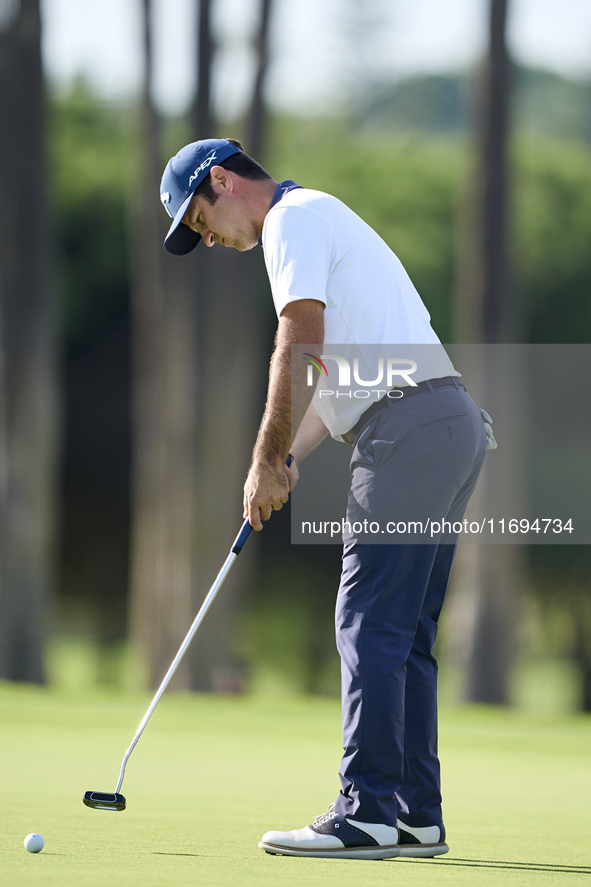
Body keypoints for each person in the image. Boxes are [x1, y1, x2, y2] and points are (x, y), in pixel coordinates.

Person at [160, 138, 493, 861]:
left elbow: (296, 343)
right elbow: (338, 381)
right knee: (401, 634)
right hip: (445, 422)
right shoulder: (319, 220)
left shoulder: (291, 220)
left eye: (200, 219)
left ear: (222, 180)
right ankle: (412, 814)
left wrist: (259, 459)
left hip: (410, 428)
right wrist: (282, 460)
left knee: (366, 618)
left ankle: (364, 810)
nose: (208, 239)